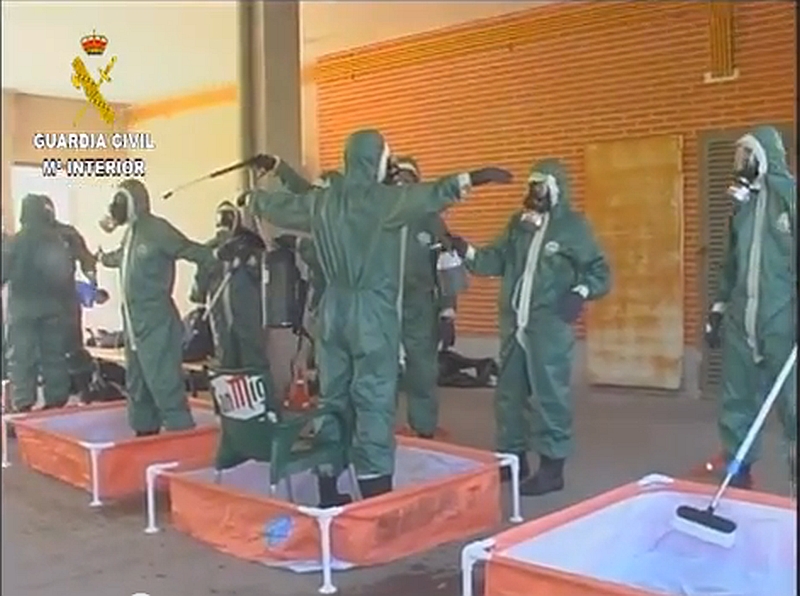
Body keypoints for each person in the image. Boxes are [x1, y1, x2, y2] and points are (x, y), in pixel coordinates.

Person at [242, 129, 512, 506]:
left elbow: (279, 206)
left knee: (332, 398)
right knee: (373, 398)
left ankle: (328, 486)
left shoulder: (323, 202)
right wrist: (474, 177)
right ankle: (374, 495)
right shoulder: (386, 202)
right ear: (379, 160)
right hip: (371, 314)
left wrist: (252, 198)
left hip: (333, 312)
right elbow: (433, 193)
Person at [449, 158, 611, 496]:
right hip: (514, 324)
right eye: (531, 185)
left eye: (541, 186)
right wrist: (467, 251)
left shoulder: (573, 227)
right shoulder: (518, 225)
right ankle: (512, 459)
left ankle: (552, 468)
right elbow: (495, 260)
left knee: (549, 394)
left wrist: (580, 292)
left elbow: (599, 271)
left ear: (556, 188)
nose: (534, 192)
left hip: (548, 324)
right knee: (509, 394)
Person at [704, 125, 796, 489]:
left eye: (747, 155)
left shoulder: (789, 199)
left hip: (782, 318)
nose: (740, 162)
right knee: (737, 396)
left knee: (793, 399)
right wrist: (718, 307)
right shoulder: (741, 207)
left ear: (764, 157)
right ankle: (738, 468)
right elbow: (731, 263)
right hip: (742, 319)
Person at [97, 179, 215, 436]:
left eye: (120, 201)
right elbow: (121, 257)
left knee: (164, 383)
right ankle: (145, 433)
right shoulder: (131, 234)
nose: (115, 207)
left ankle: (182, 435)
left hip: (157, 322)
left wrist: (205, 282)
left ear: (133, 202)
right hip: (133, 324)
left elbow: (195, 252)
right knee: (138, 383)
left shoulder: (158, 230)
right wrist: (101, 258)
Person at [392, 156, 459, 439]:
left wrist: (448, 312)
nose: (401, 184)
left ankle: (424, 430)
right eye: (397, 178)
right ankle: (377, 433)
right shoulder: (378, 218)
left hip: (419, 306)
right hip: (381, 305)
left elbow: (448, 267)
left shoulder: (431, 221)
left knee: (422, 371)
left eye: (407, 179)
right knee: (380, 374)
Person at [2, 194, 74, 412]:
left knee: (22, 359)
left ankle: (23, 405)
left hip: (22, 310)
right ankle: (56, 403)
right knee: (54, 357)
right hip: (53, 309)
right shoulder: (56, 241)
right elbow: (66, 274)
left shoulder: (14, 242)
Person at [190, 200, 269, 371]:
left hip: (247, 314)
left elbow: (263, 277)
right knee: (226, 361)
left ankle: (258, 387)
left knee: (253, 360)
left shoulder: (251, 246)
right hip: (221, 317)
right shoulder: (210, 250)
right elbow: (197, 291)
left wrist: (248, 258)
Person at [41, 197, 99, 398]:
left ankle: (83, 390)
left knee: (72, 346)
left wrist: (92, 281)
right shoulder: (33, 236)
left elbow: (86, 259)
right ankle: (60, 391)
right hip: (45, 300)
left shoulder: (67, 233)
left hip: (65, 299)